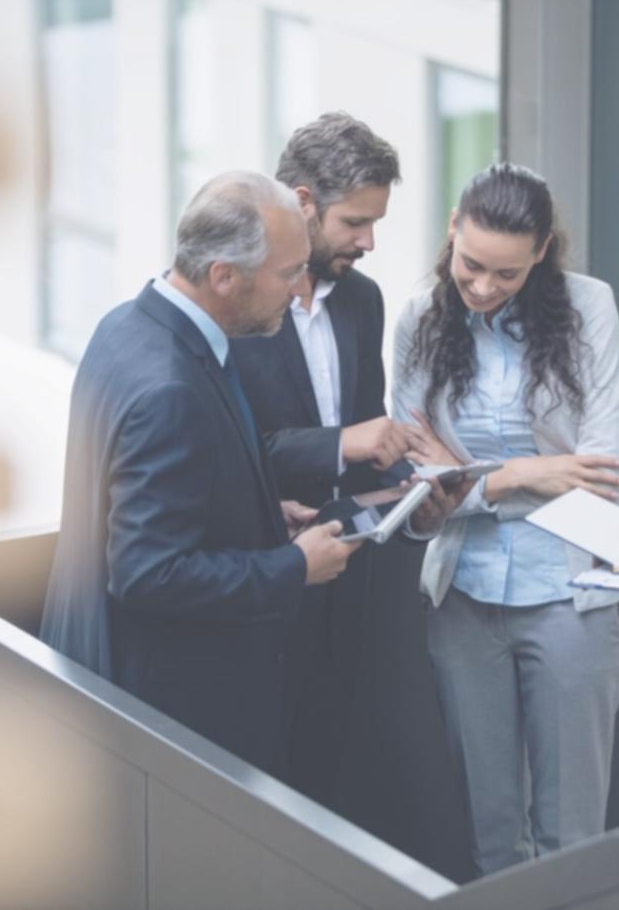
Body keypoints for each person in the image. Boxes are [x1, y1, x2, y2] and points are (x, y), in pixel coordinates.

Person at [38, 170, 362, 776]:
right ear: (223, 276)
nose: (298, 295)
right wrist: (292, 566)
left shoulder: (123, 327)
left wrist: (265, 511)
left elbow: (159, 498)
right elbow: (147, 572)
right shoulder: (169, 389)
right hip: (170, 712)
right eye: (289, 274)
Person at [391, 163, 619, 877]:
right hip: (461, 598)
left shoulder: (590, 309)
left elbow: (600, 479)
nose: (484, 288)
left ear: (542, 254)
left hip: (569, 599)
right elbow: (413, 483)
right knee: (492, 841)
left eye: (507, 273)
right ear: (450, 235)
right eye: (471, 266)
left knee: (571, 840)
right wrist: (525, 473)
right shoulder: (418, 317)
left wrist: (466, 480)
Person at [231, 111, 423, 808]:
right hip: (259, 590)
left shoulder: (362, 301)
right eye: (354, 223)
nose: (368, 242)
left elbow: (370, 445)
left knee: (326, 782)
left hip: (346, 591)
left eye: (375, 223)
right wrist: (343, 441)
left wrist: (415, 489)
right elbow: (232, 454)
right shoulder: (235, 300)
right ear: (303, 204)